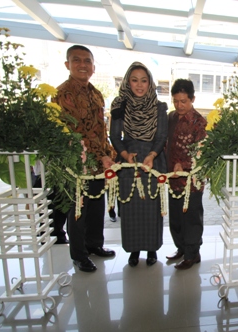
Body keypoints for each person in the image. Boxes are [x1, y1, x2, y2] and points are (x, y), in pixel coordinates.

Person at [53, 45, 116, 273]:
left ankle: (94, 245)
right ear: (67, 65)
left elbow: (101, 130)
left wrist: (108, 155)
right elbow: (75, 132)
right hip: (77, 162)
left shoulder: (96, 93)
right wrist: (100, 155)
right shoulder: (63, 94)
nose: (82, 64)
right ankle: (79, 255)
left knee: (97, 205)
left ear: (93, 66)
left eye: (87, 61)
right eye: (76, 60)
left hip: (99, 164)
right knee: (78, 209)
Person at [110, 61, 167, 267]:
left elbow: (161, 136)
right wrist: (125, 155)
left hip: (152, 160)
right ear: (128, 82)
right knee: (130, 207)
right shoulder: (119, 105)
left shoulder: (159, 106)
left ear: (150, 83)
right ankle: (134, 250)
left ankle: (152, 249)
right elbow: (114, 136)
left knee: (152, 207)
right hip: (128, 161)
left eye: (144, 80)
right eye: (134, 80)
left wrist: (151, 155)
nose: (139, 85)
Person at [165, 79, 207, 270]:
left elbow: (202, 153)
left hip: (192, 180)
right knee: (176, 217)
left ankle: (192, 254)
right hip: (173, 179)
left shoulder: (199, 122)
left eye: (183, 101)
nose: (179, 105)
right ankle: (181, 248)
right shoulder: (171, 117)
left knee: (191, 218)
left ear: (192, 99)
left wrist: (185, 164)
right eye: (176, 101)